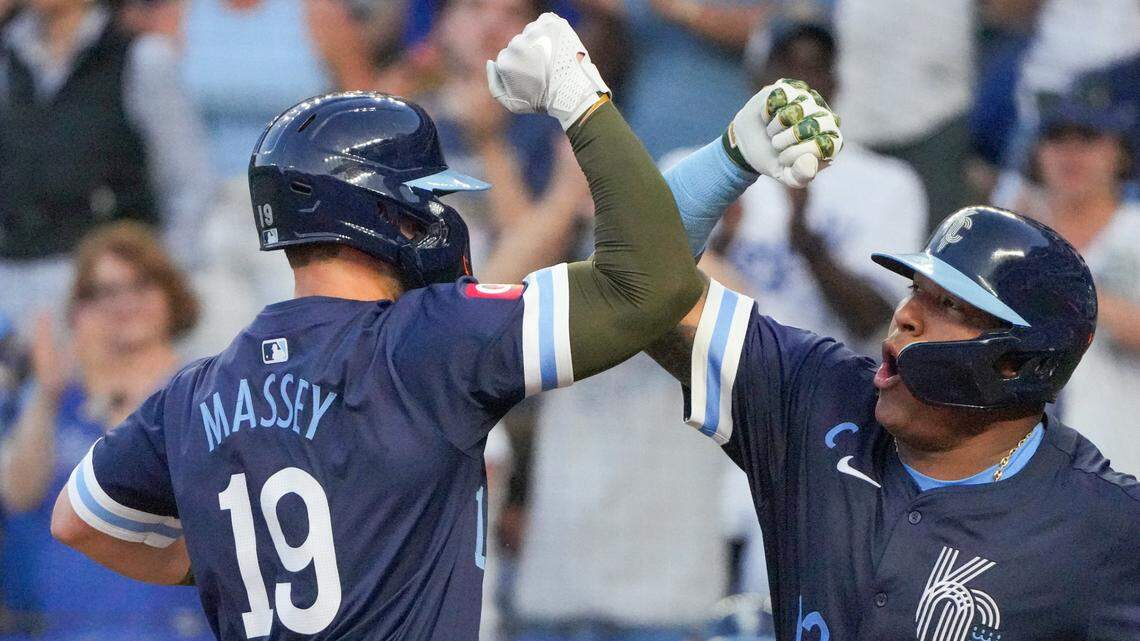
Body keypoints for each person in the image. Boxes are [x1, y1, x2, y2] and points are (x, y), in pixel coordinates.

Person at [46, 15, 841, 641]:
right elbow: (653, 284)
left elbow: (76, 518)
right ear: (373, 210)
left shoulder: (194, 389)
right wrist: (579, 97)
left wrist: (726, 159)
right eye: (423, 197)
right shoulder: (425, 339)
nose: (439, 215)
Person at [653, 82, 1140, 638]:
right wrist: (729, 158)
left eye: (950, 306)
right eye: (915, 290)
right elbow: (645, 278)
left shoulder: (1104, 525)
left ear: (1015, 364)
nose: (906, 316)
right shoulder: (818, 395)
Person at [0, 222, 209, 639]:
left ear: (170, 296)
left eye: (140, 285)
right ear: (78, 311)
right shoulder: (56, 400)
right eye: (103, 292)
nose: (123, 304)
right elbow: (18, 495)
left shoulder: (204, 393)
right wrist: (46, 395)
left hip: (176, 628)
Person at [0, 0, 213, 328]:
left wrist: (158, 285)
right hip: (10, 281)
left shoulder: (142, 58)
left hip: (108, 292)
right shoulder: (7, 59)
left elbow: (189, 185)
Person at [724, 20, 926, 355]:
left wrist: (806, 241)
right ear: (756, 80)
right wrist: (717, 246)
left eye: (812, 69)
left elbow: (881, 325)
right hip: (716, 384)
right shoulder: (697, 170)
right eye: (785, 70)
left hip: (830, 385)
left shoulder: (889, 182)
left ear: (834, 84)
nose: (797, 89)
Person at [1019, 100, 1140, 475]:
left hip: (1124, 458)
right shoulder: (1016, 238)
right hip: (1027, 468)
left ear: (1120, 153)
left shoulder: (1134, 233)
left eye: (1087, 139)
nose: (1071, 154)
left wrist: (1064, 287)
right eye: (1056, 138)